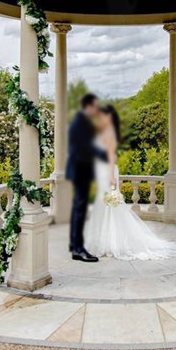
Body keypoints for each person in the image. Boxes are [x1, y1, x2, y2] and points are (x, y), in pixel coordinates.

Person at [85, 105, 176, 261]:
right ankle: (104, 241)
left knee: (111, 205)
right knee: (103, 204)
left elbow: (111, 157)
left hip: (109, 171)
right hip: (102, 171)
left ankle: (114, 242)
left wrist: (111, 176)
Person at [65, 93, 107, 262]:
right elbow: (84, 147)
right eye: (95, 106)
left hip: (81, 168)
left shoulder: (82, 121)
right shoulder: (80, 122)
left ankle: (73, 243)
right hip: (80, 169)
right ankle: (78, 249)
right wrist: (103, 154)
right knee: (80, 208)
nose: (97, 109)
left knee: (78, 207)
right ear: (88, 106)